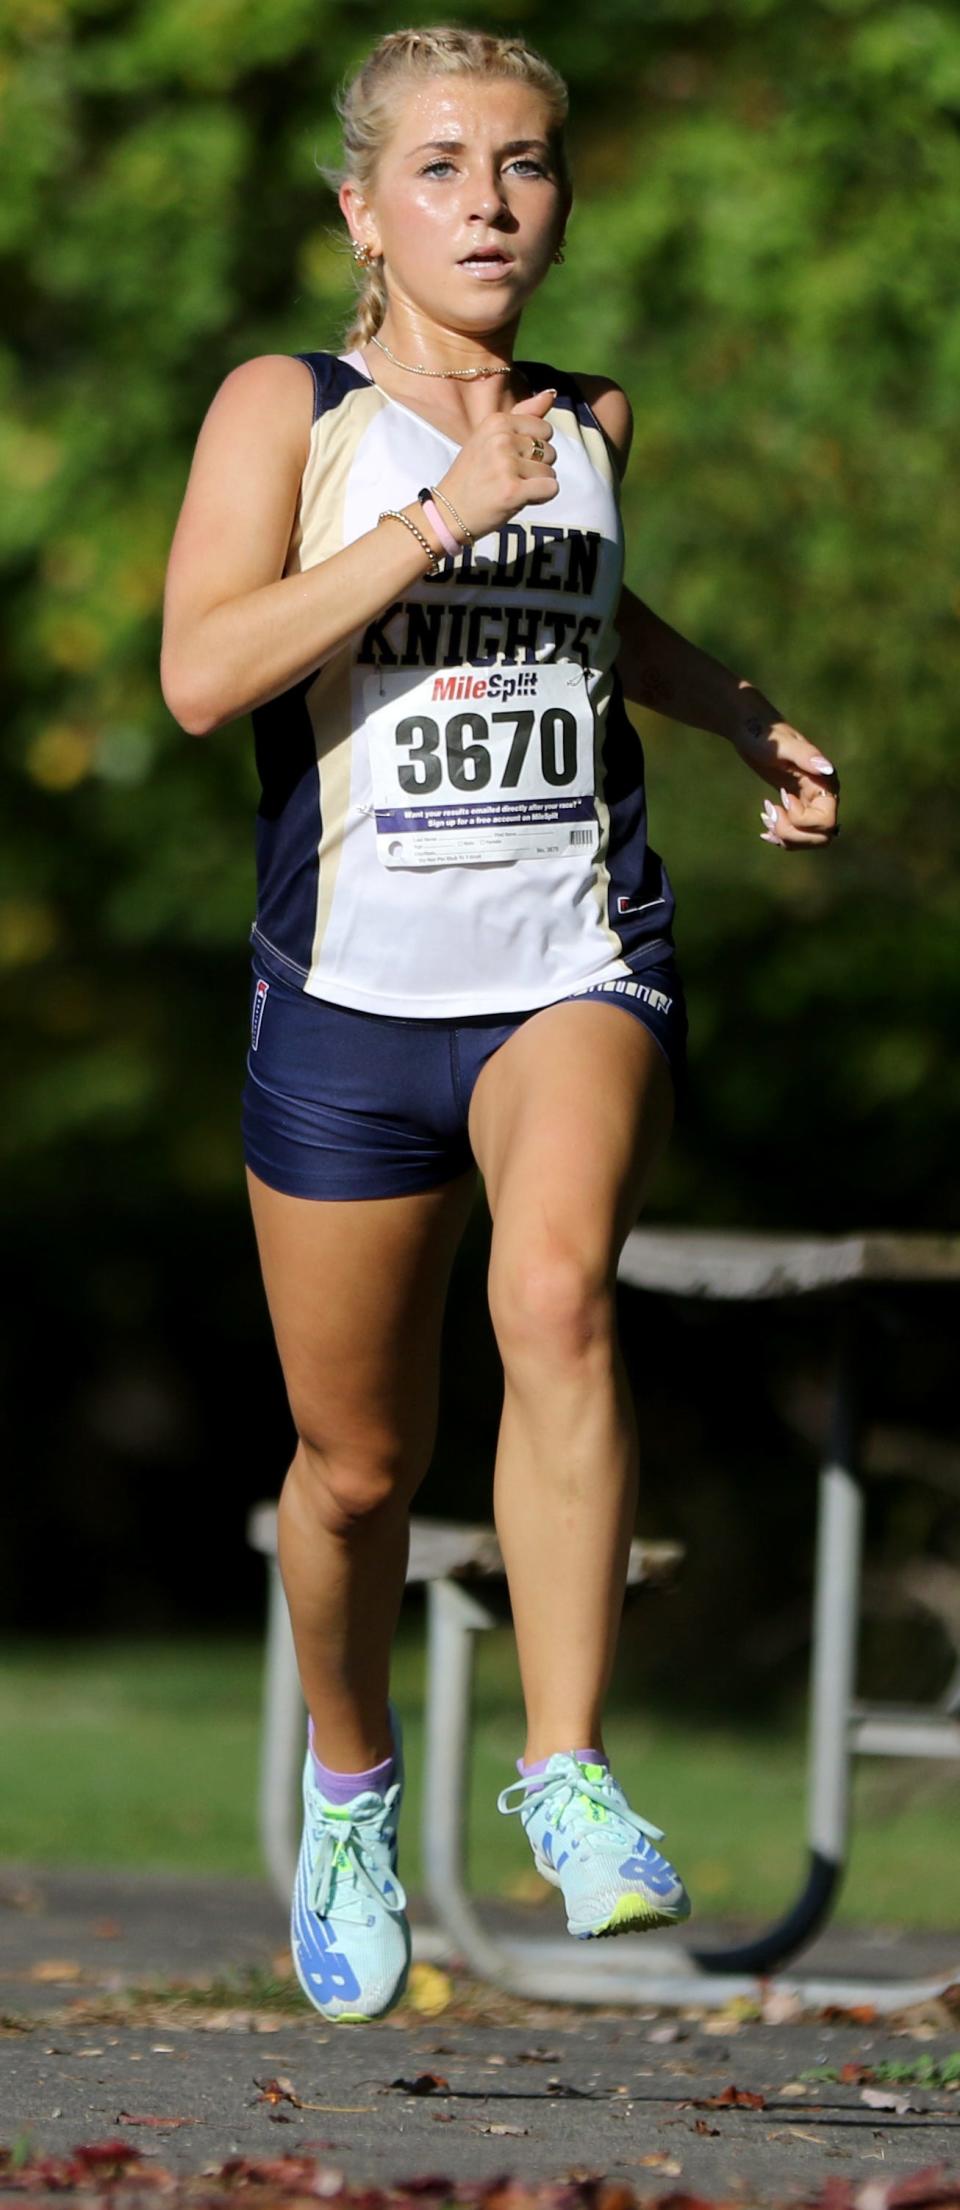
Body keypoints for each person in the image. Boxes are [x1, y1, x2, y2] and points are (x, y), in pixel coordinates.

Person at [160, 24, 840, 2026]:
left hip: (570, 947)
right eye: (444, 167)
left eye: (526, 165)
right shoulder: (289, 409)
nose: (491, 200)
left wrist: (728, 707)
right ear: (364, 209)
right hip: (354, 990)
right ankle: (353, 1786)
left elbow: (593, 610)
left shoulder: (588, 416)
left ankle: (563, 1763)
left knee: (555, 1294)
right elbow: (207, 671)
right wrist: (433, 518)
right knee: (356, 1466)